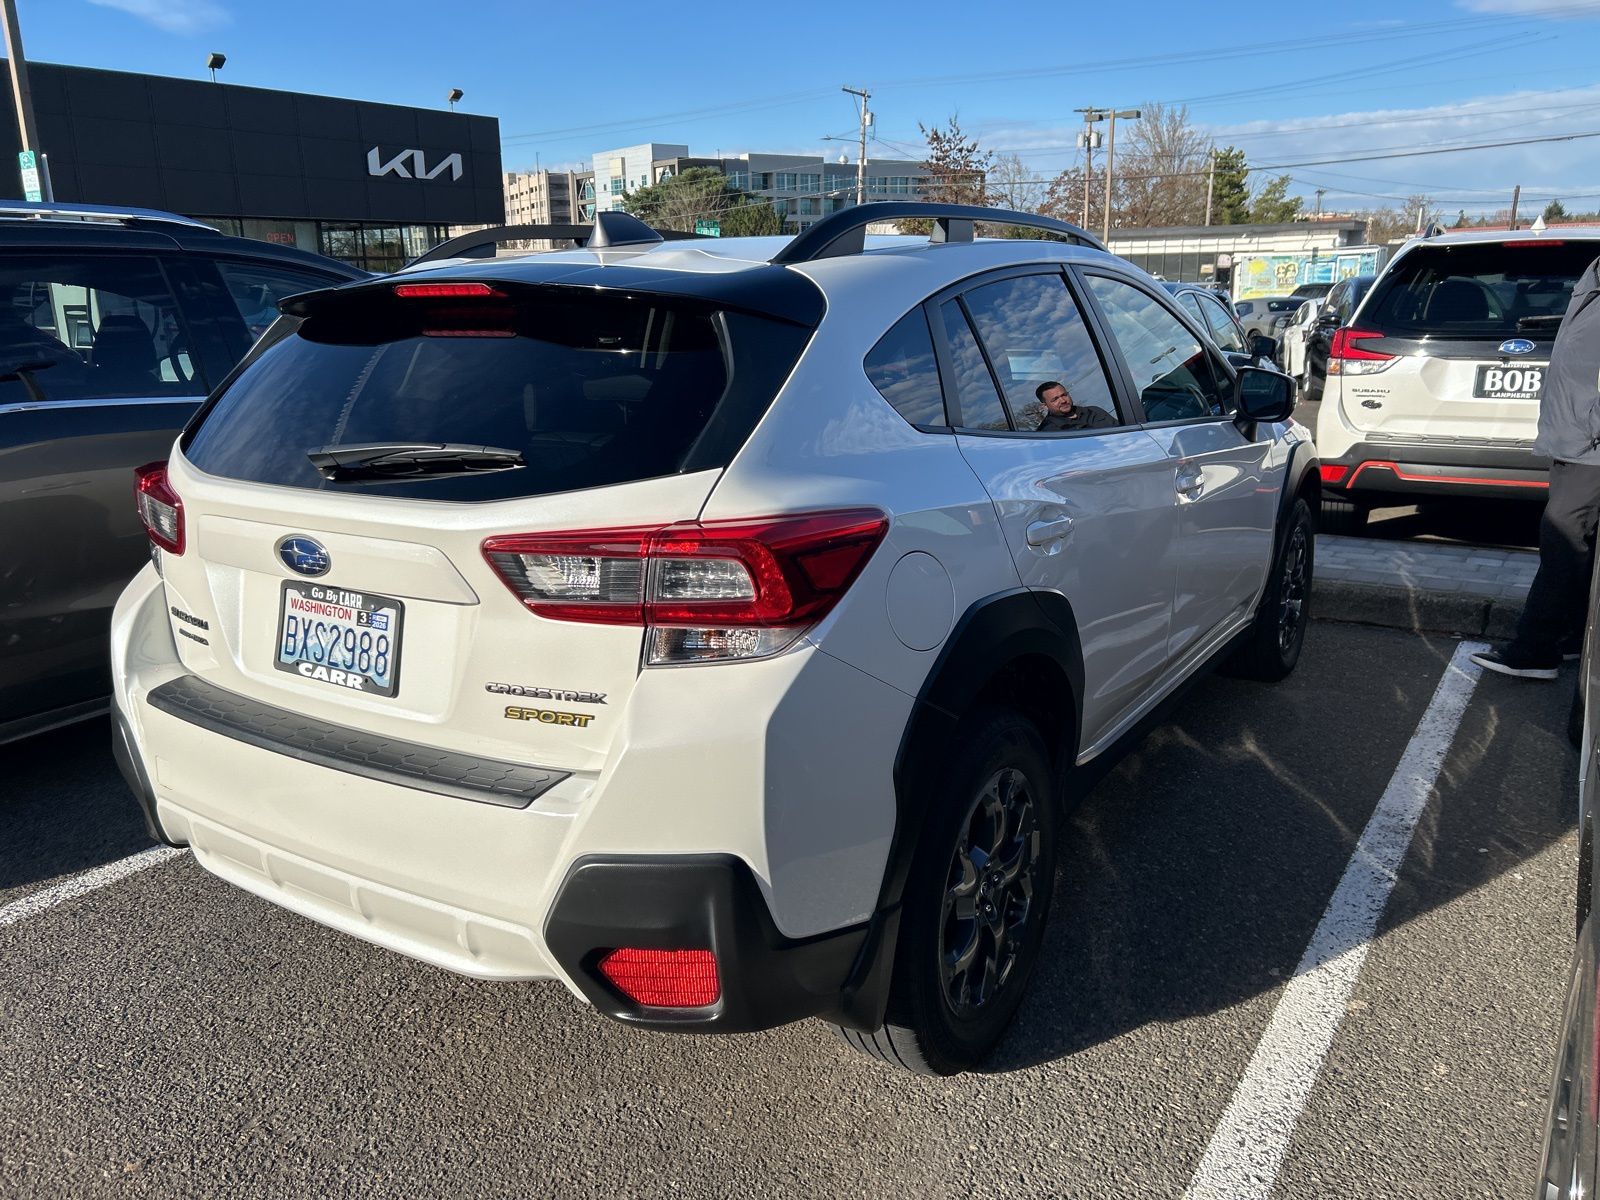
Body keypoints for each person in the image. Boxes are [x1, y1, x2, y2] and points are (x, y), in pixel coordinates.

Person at [1471, 257, 1600, 681]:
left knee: (1563, 537)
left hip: (1589, 442)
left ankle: (1535, 650)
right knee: (1577, 543)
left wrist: (1592, 426)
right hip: (1576, 436)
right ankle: (1568, 640)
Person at [1034, 380, 1116, 432]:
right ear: (1045, 406)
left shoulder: (1094, 411)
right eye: (1055, 399)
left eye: (1064, 395)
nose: (1063, 401)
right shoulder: (1049, 433)